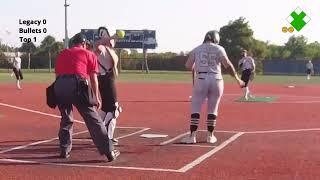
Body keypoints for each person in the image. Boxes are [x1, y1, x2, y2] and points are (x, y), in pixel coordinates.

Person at [54, 33, 119, 161]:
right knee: (93, 119)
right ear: (83, 44)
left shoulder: (62, 53)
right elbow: (94, 79)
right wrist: (96, 97)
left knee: (66, 119)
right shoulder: (88, 54)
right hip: (77, 84)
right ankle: (109, 152)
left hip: (60, 85)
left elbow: (57, 76)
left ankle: (64, 150)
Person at [181, 30, 244, 144]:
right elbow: (228, 65)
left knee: (196, 106)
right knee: (213, 108)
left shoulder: (197, 49)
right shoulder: (219, 49)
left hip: (201, 78)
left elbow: (188, 65)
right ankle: (210, 136)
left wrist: (197, 65)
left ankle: (192, 136)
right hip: (217, 79)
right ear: (216, 39)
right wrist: (238, 79)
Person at [94, 27, 122, 145]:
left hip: (106, 79)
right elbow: (95, 46)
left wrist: (113, 38)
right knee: (114, 109)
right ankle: (107, 138)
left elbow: (112, 44)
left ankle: (97, 132)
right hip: (105, 79)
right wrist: (109, 38)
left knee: (106, 109)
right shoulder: (102, 48)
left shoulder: (110, 49)